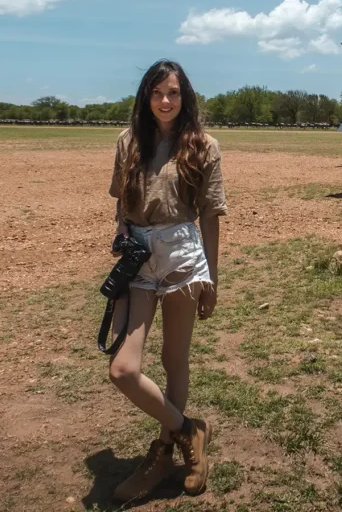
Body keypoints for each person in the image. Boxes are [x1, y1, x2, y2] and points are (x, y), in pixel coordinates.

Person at [107, 60, 227, 503]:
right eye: (157, 92)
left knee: (175, 360)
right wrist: (121, 228)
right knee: (123, 369)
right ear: (145, 96)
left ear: (185, 96)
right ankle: (187, 430)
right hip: (139, 257)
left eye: (173, 93)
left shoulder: (204, 146)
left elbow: (211, 214)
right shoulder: (127, 142)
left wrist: (211, 277)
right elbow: (121, 202)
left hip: (182, 255)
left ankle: (163, 454)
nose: (165, 101)